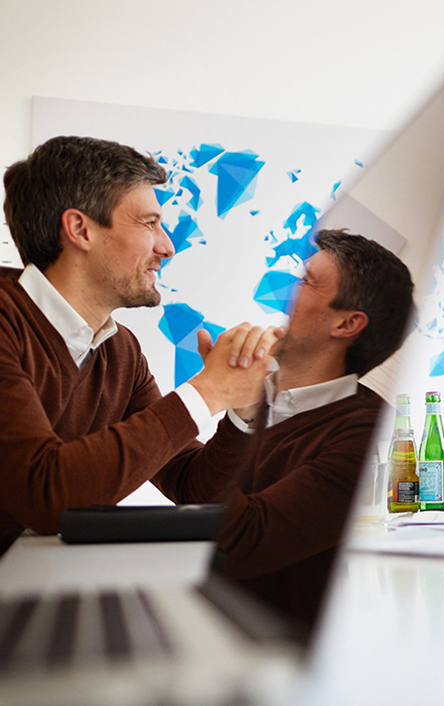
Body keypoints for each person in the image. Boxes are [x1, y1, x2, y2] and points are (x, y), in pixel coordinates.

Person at [0, 136, 280, 555]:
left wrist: (243, 410)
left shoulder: (119, 352)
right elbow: (44, 496)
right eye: (149, 223)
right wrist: (209, 391)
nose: (167, 246)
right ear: (80, 229)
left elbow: (196, 488)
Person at [211, 228, 413, 630]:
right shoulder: (257, 402)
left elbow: (242, 540)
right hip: (208, 629)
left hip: (281, 658)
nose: (287, 290)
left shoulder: (370, 433)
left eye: (306, 281)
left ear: (347, 323)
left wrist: (206, 399)